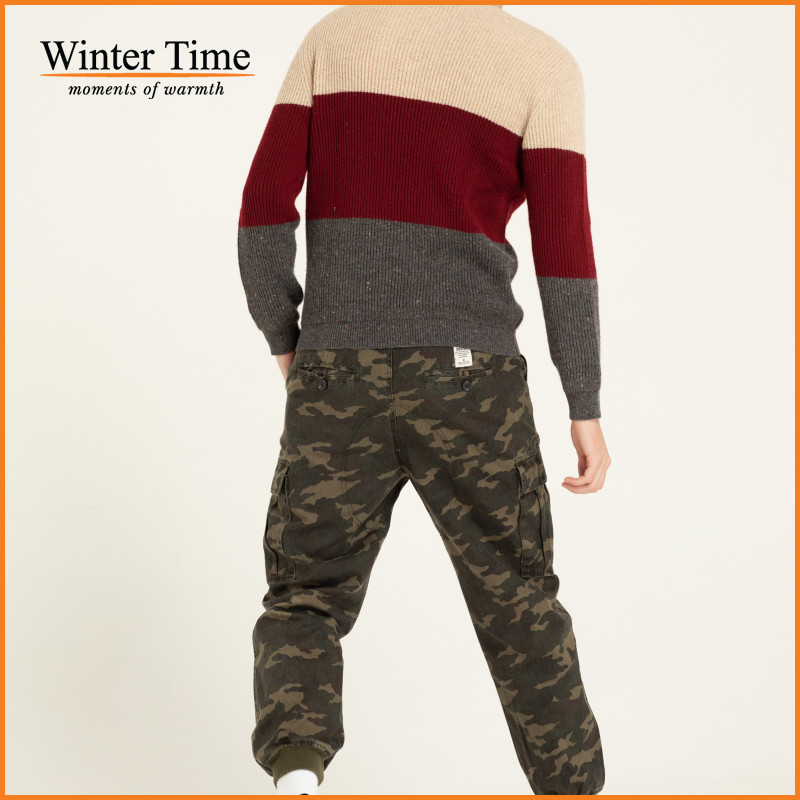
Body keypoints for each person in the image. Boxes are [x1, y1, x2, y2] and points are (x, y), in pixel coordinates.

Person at [237, 4, 611, 795]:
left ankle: (297, 771)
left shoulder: (337, 36)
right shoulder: (542, 63)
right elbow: (564, 246)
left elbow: (262, 209)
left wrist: (290, 342)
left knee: (305, 596)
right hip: (474, 383)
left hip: (336, 370)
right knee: (518, 602)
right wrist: (584, 401)